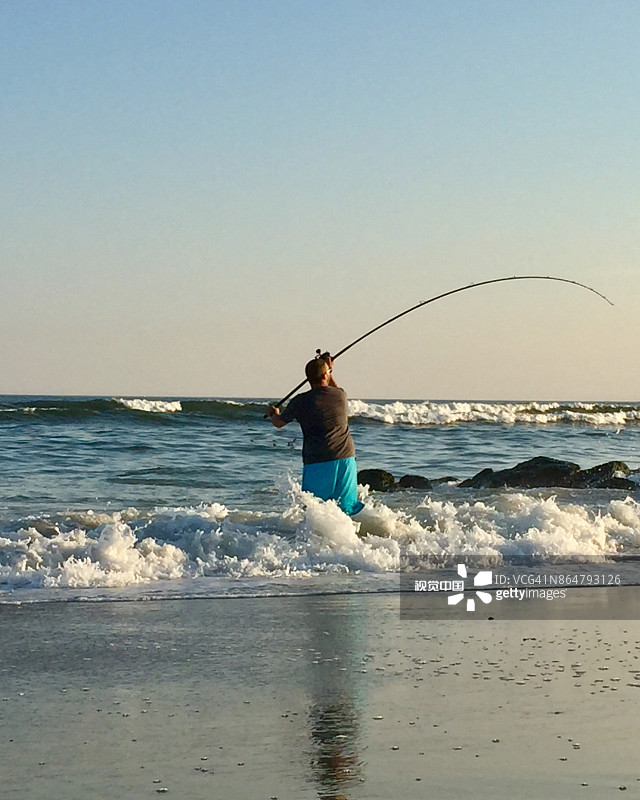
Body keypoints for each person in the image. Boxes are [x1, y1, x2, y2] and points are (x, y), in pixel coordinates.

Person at [268, 355, 364, 516]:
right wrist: (329, 368)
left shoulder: (299, 402)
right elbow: (333, 387)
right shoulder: (340, 396)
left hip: (317, 462)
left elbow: (279, 423)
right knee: (345, 511)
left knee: (316, 512)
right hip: (346, 458)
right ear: (326, 375)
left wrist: (273, 413)